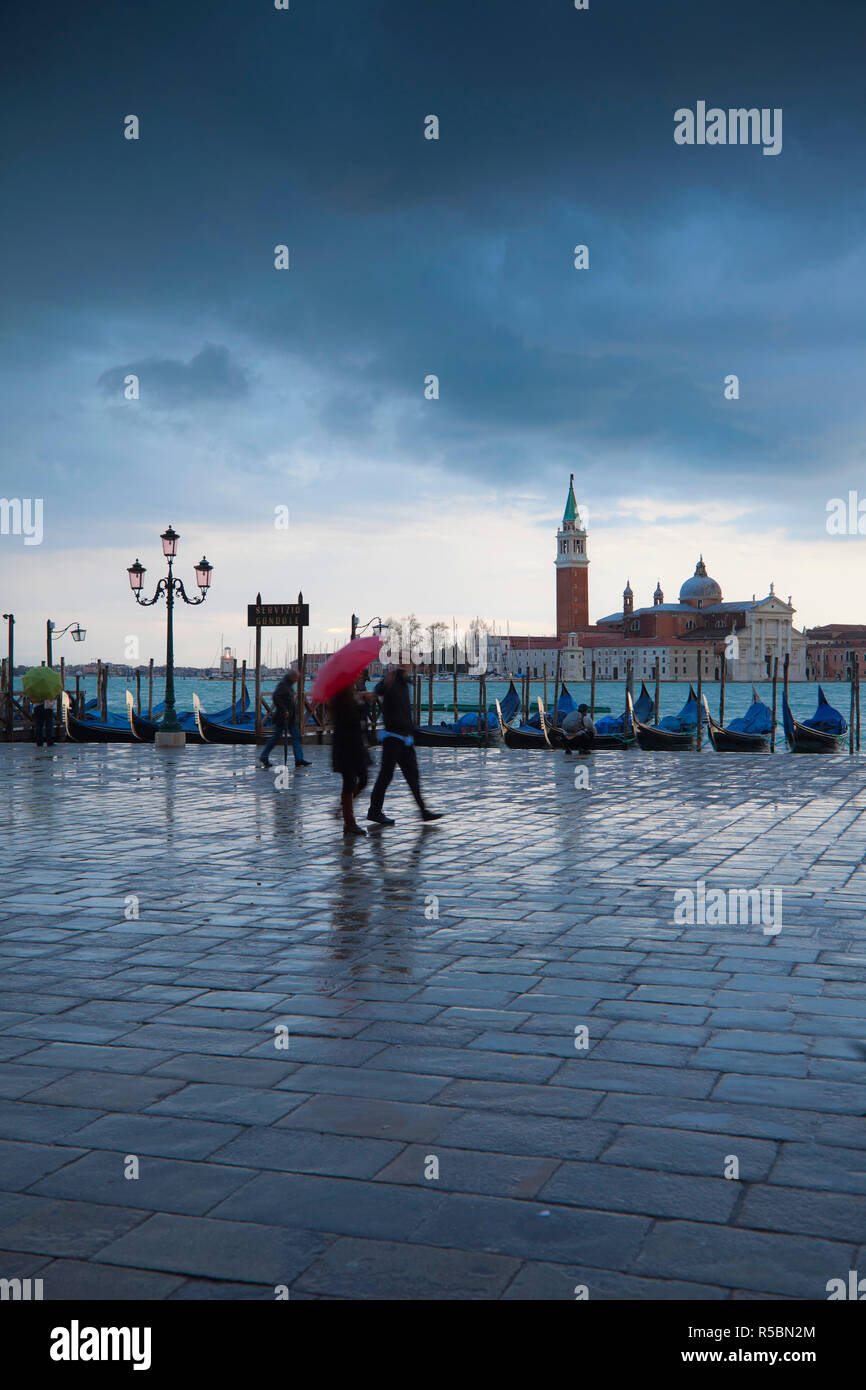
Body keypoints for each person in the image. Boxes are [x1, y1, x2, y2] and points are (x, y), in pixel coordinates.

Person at [367, 664, 442, 826]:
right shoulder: (392, 678)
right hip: (393, 738)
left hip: (406, 738)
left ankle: (423, 811)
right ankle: (374, 811)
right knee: (385, 776)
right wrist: (383, 684)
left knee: (413, 776)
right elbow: (377, 691)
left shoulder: (406, 681)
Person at [331, 684, 369, 836]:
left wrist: (361, 700)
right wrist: (363, 703)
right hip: (346, 747)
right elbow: (351, 719)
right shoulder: (340, 697)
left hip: (356, 746)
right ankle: (349, 823)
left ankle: (343, 808)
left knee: (363, 779)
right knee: (350, 782)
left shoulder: (350, 694)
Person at [258, 670, 311, 769]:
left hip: (290, 718)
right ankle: (263, 756)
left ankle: (299, 759)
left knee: (296, 737)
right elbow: (276, 697)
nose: (296, 680)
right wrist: (284, 710)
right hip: (282, 718)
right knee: (275, 738)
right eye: (296, 678)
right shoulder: (283, 685)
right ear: (291, 676)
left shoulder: (289, 685)